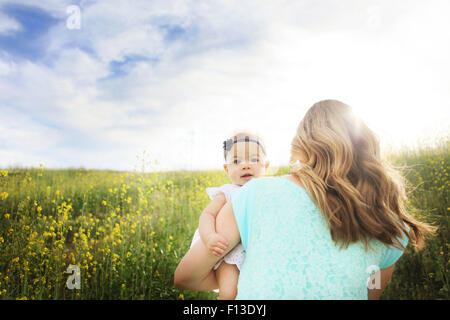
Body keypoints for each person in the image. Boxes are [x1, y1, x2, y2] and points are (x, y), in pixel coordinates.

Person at [174, 99, 436, 299]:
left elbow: (186, 277)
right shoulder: (387, 224)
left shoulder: (253, 194)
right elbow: (370, 289)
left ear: (302, 143)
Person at [186, 130, 269, 299]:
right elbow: (208, 215)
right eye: (237, 161)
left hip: (257, 251)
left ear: (266, 166)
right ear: (226, 169)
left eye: (254, 159)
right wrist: (210, 237)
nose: (246, 165)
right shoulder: (227, 192)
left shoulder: (267, 190)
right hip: (230, 251)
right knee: (230, 293)